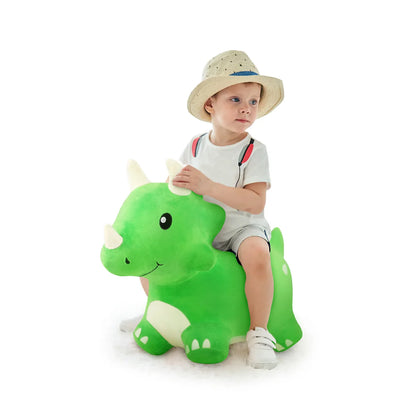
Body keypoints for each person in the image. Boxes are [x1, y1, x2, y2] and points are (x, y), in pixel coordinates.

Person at [170, 50, 285, 369]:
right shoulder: (195, 146)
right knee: (162, 253)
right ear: (211, 104)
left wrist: (208, 186)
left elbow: (255, 202)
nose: (246, 108)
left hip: (242, 227)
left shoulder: (253, 151)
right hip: (203, 227)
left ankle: (259, 332)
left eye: (253, 102)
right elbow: (181, 188)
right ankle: (157, 311)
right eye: (235, 100)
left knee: (257, 256)